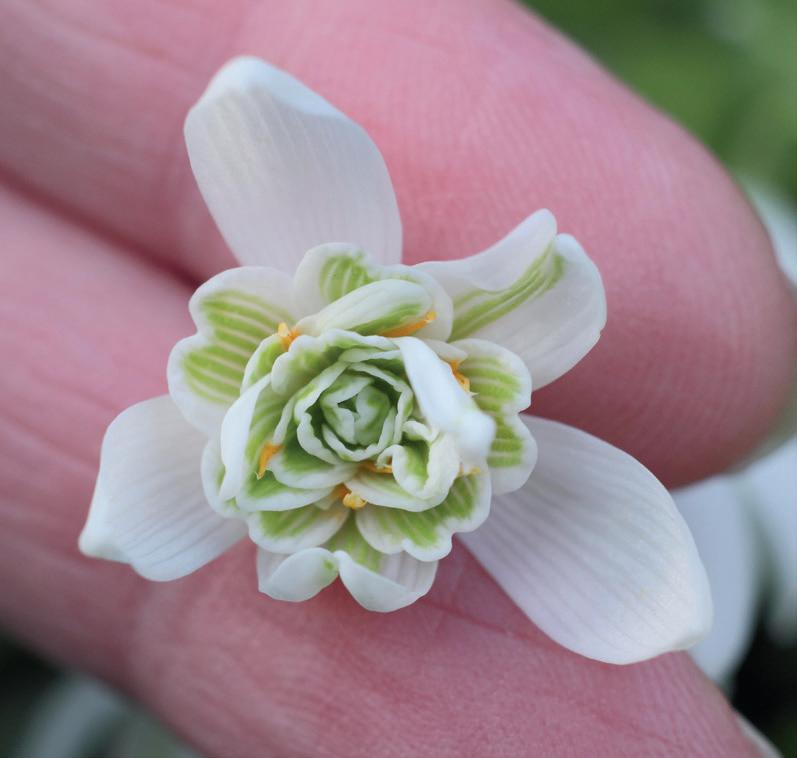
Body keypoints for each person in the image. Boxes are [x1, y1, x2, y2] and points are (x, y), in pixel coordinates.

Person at [0, 1, 794, 754]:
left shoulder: (504, 328)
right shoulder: (182, 478)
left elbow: (644, 598)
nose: (357, 423)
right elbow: (129, 518)